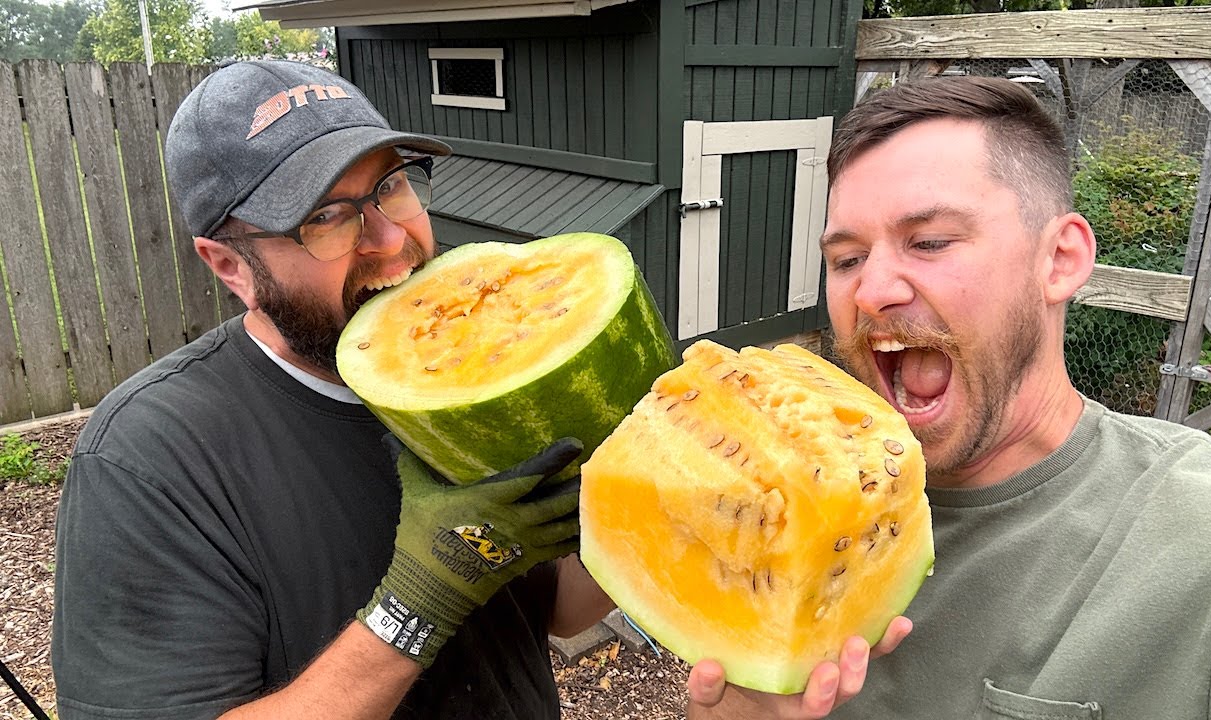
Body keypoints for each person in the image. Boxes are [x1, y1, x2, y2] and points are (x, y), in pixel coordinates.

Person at [51, 59, 883, 720]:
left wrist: (643, 466)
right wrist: (421, 596)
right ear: (229, 264)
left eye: (390, 185)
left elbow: (556, 608)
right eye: (328, 217)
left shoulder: (479, 384)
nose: (390, 241)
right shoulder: (147, 457)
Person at [694, 75, 1211, 718]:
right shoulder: (771, 501)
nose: (870, 292)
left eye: (930, 242)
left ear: (1059, 259)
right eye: (847, 259)